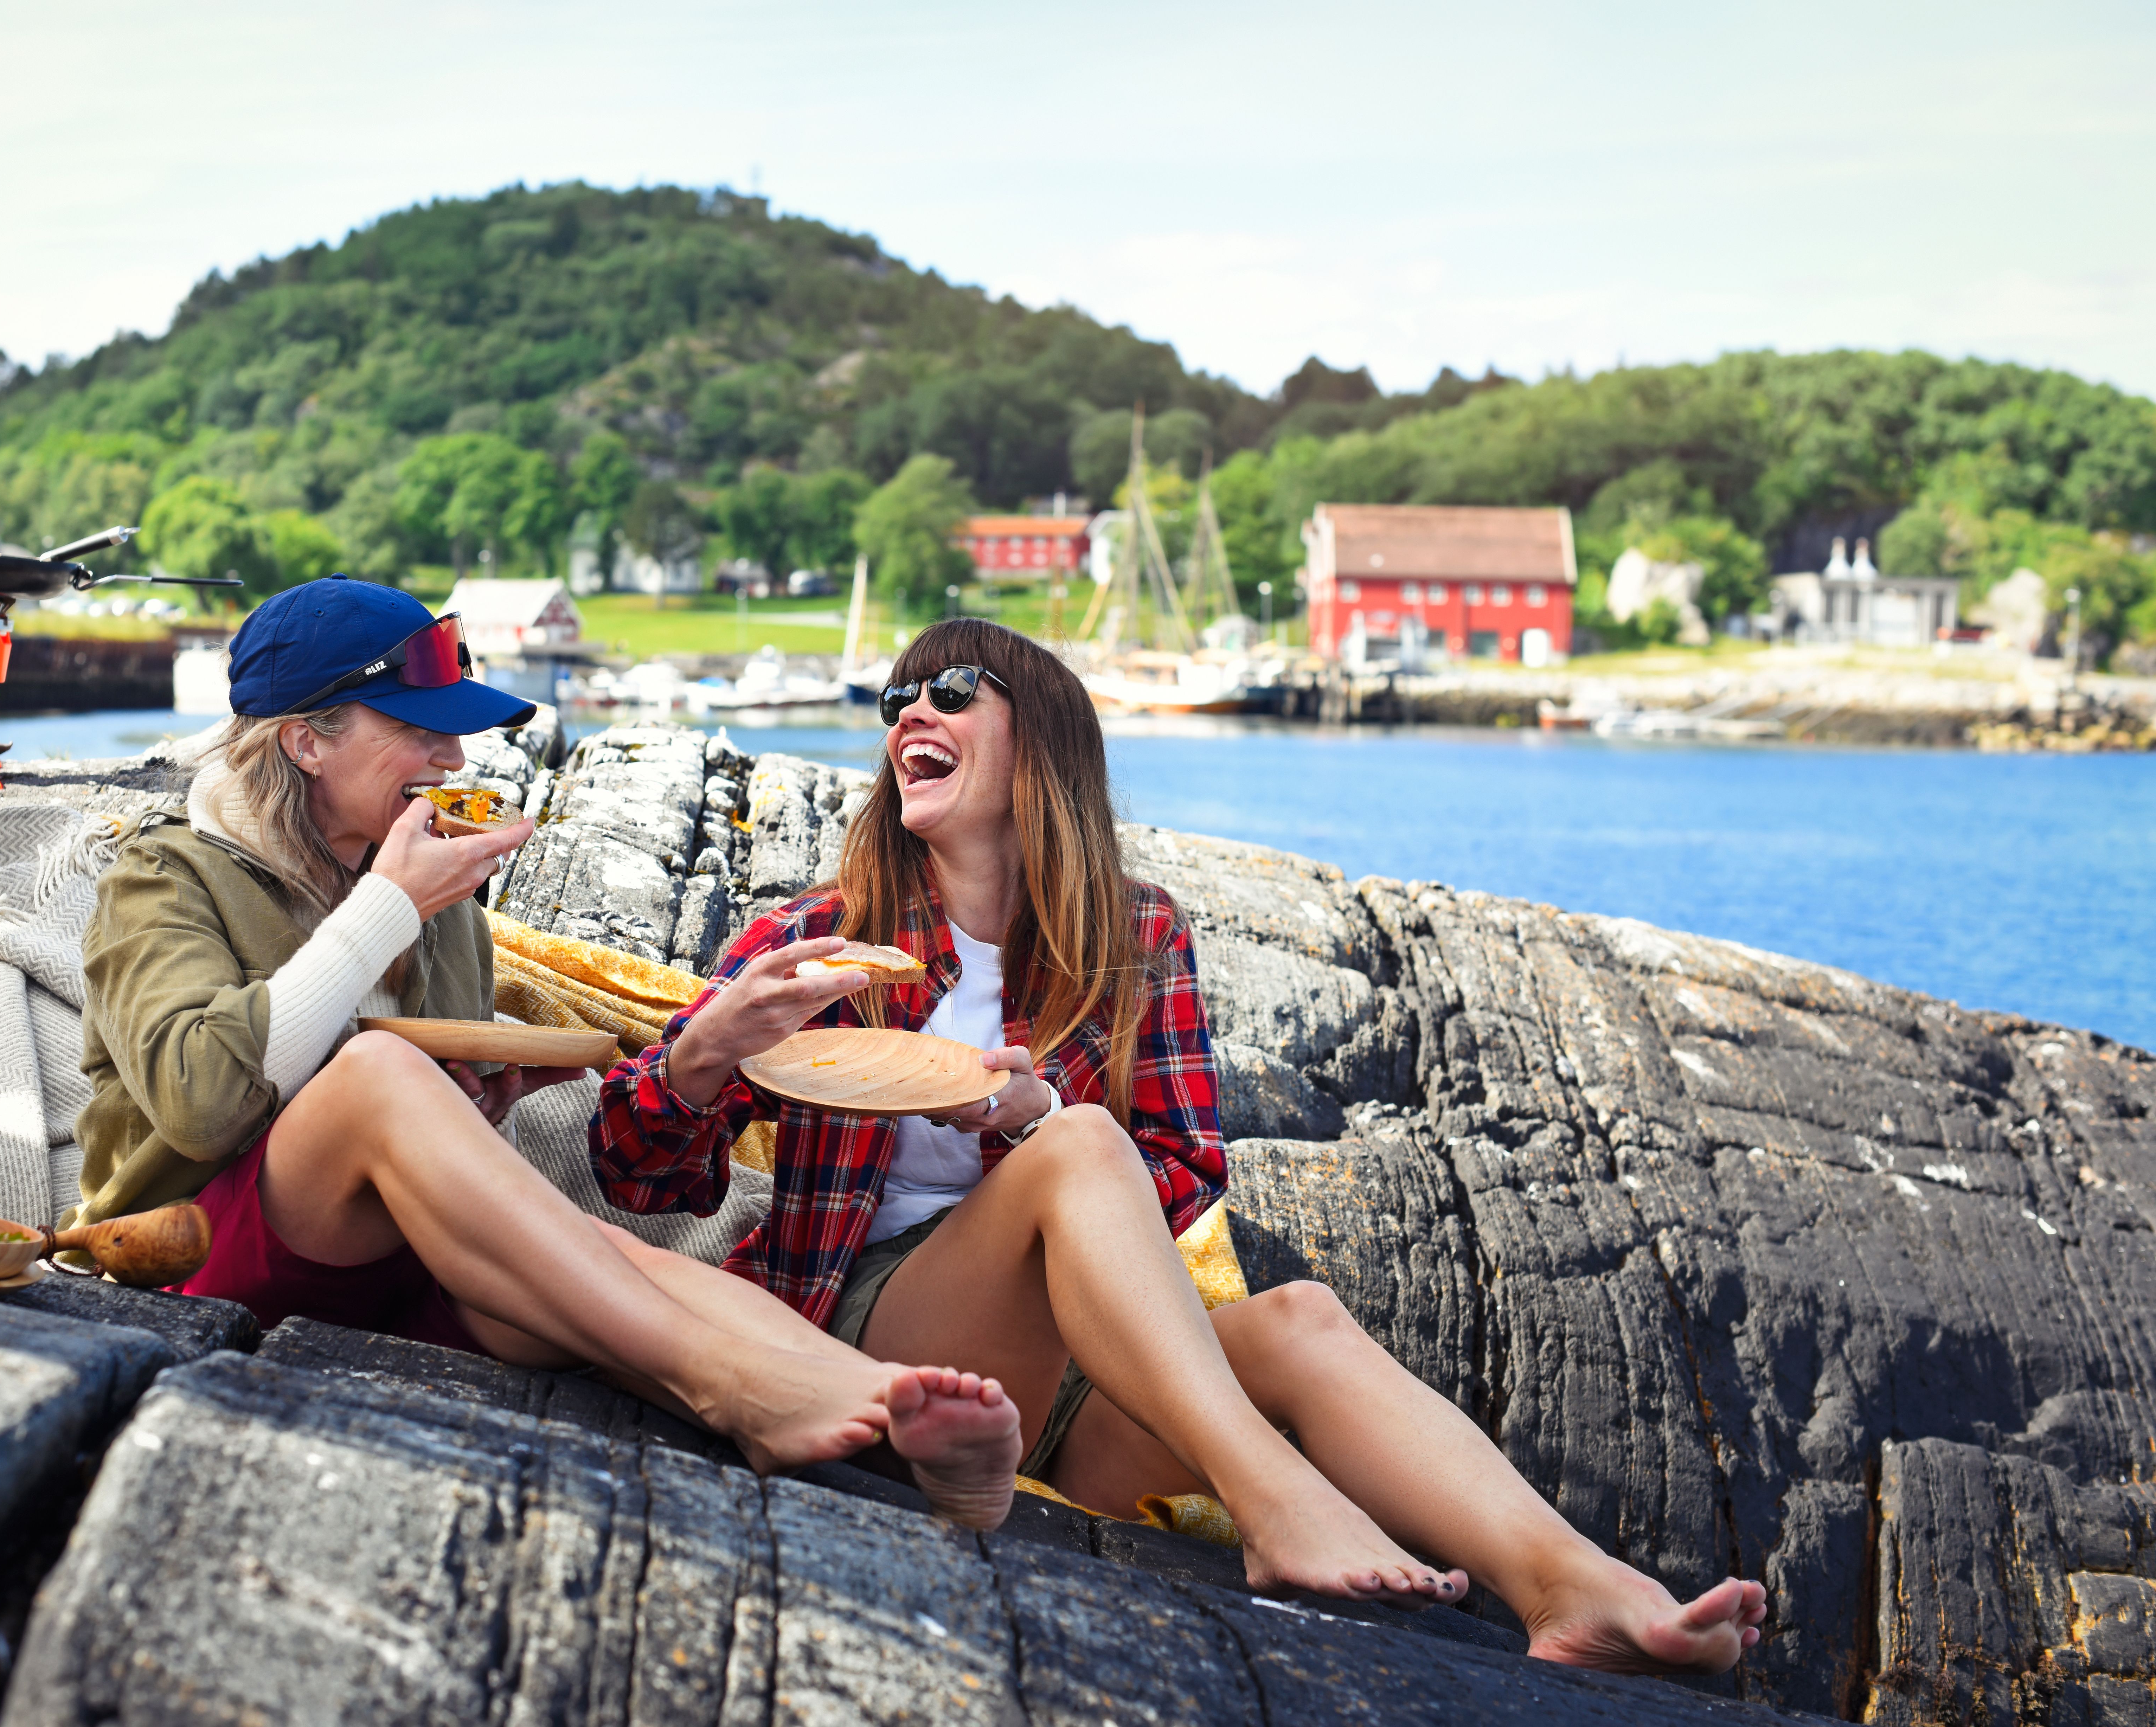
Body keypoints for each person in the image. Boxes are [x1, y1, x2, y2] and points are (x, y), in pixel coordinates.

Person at [592, 616, 1768, 1675]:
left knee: (1299, 1320)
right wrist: (703, 1058)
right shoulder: (816, 938)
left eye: (953, 690)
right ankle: (1277, 1504)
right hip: (874, 1344)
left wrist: (1030, 1117)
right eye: (898, 700)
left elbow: (1186, 1170)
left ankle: (1576, 1593)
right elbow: (633, 1172)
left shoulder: (1135, 932)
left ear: (1042, 743)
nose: (912, 712)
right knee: (1079, 1139)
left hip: (1071, 1388)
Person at [72, 576, 1024, 1521]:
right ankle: (734, 1390)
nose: (453, 756)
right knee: (379, 1077)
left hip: (392, 1262)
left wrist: (482, 1098)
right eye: (419, 727)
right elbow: (202, 1102)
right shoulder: (165, 876)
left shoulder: (439, 900)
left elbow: (422, 1101)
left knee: (604, 1258)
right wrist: (386, 913)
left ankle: (894, 1425)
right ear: (304, 739)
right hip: (196, 1255)